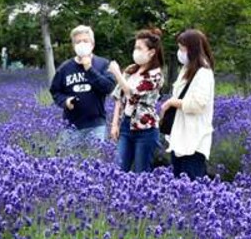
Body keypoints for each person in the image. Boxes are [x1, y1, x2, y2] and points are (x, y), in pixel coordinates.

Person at [160, 29, 215, 179]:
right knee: (179, 182)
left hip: (194, 138)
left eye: (182, 48)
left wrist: (172, 102)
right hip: (180, 135)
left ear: (192, 49)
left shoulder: (203, 73)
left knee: (192, 181)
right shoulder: (187, 69)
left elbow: (198, 104)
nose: (180, 52)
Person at [108, 29, 165, 173]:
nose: (136, 51)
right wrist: (115, 124)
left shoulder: (156, 75)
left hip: (145, 129)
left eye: (140, 48)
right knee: (118, 170)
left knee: (141, 173)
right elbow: (119, 97)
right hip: (126, 126)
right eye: (135, 47)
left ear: (151, 52)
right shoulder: (131, 70)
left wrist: (117, 73)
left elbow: (133, 95)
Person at [50, 25, 116, 144]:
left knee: (95, 159)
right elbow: (55, 91)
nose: (82, 44)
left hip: (96, 124)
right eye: (78, 42)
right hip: (71, 125)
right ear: (73, 46)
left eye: (85, 41)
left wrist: (89, 68)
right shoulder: (64, 68)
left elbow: (108, 87)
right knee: (68, 160)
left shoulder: (103, 64)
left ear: (92, 44)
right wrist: (65, 101)